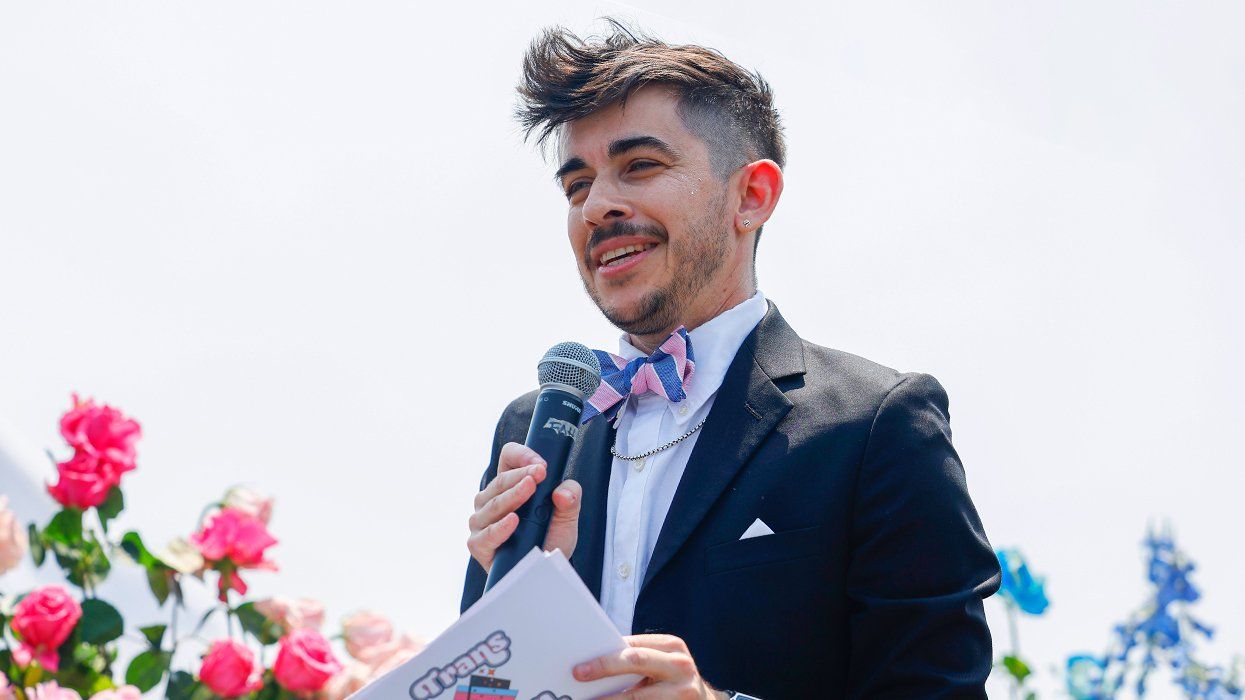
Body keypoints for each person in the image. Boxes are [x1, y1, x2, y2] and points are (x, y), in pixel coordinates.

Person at [461, 20, 1001, 699]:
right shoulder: (534, 427)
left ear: (751, 196)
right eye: (576, 185)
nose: (596, 206)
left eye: (639, 166)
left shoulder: (875, 425)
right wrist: (521, 613)